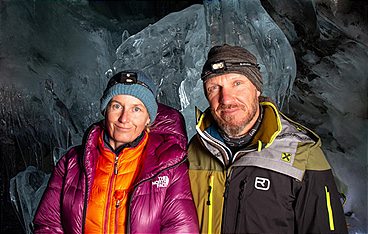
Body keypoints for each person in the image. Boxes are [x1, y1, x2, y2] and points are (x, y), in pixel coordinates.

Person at [188, 44, 348, 234]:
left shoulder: (303, 155)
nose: (226, 99)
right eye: (214, 87)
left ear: (257, 88)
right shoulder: (193, 151)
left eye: (237, 83)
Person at [33, 70, 199, 233]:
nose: (124, 119)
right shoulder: (72, 162)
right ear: (105, 110)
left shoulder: (169, 167)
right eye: (117, 106)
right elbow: (48, 224)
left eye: (136, 109)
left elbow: (181, 229)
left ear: (149, 118)